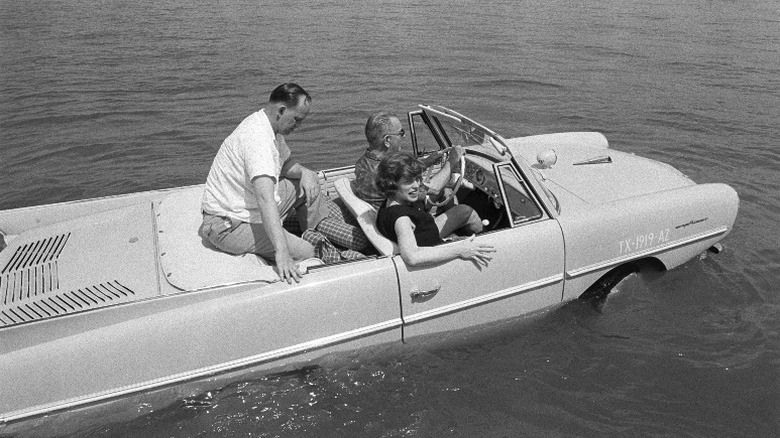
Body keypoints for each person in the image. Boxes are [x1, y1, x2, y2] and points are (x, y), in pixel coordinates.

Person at [200, 83, 343, 283]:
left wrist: (306, 173)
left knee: (306, 183)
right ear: (281, 111)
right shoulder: (258, 140)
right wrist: (282, 251)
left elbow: (285, 165)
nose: (298, 126)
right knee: (308, 251)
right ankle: (311, 248)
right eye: (297, 119)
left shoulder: (268, 125)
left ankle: (316, 232)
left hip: (245, 207)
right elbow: (265, 198)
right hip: (228, 225)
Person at [375, 152, 494, 267]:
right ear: (392, 184)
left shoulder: (389, 203)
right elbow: (412, 257)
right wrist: (460, 250)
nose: (416, 185)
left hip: (430, 238)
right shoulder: (402, 220)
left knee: (463, 210)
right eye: (408, 182)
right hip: (438, 255)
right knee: (492, 246)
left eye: (417, 179)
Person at [352, 111, 461, 209]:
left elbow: (402, 171)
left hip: (387, 215)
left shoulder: (363, 162)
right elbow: (434, 189)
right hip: (406, 219)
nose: (404, 136)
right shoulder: (387, 174)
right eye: (401, 133)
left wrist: (427, 161)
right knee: (463, 209)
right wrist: (452, 160)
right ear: (387, 140)